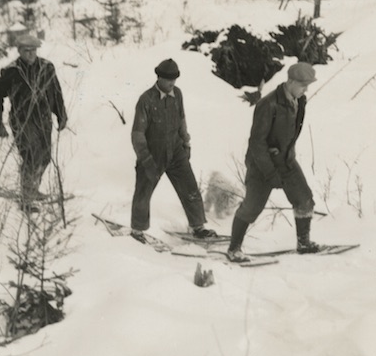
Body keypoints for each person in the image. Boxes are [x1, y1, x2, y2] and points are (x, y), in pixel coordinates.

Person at [226, 62, 321, 262]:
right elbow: (256, 143)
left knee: (304, 200)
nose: (306, 89)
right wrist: (270, 173)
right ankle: (234, 249)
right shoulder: (268, 104)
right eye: (303, 85)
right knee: (252, 207)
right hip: (262, 163)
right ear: (291, 81)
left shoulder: (299, 100)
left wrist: (284, 155)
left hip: (286, 160)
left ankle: (303, 243)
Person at [130, 58, 217, 242]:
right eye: (168, 79)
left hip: (176, 150)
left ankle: (198, 227)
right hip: (153, 153)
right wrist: (145, 159)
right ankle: (137, 231)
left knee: (190, 187)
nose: (172, 83)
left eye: (174, 79)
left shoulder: (177, 94)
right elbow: (137, 134)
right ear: (159, 78)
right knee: (143, 192)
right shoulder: (146, 100)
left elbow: (182, 120)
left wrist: (186, 143)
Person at [0, 26, 68, 210]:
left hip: (43, 119)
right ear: (19, 52)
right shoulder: (11, 71)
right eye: (27, 51)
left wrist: (61, 115)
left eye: (33, 50)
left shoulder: (47, 67)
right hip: (21, 120)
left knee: (45, 157)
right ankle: (26, 199)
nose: (31, 54)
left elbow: (55, 92)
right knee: (31, 156)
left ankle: (33, 189)